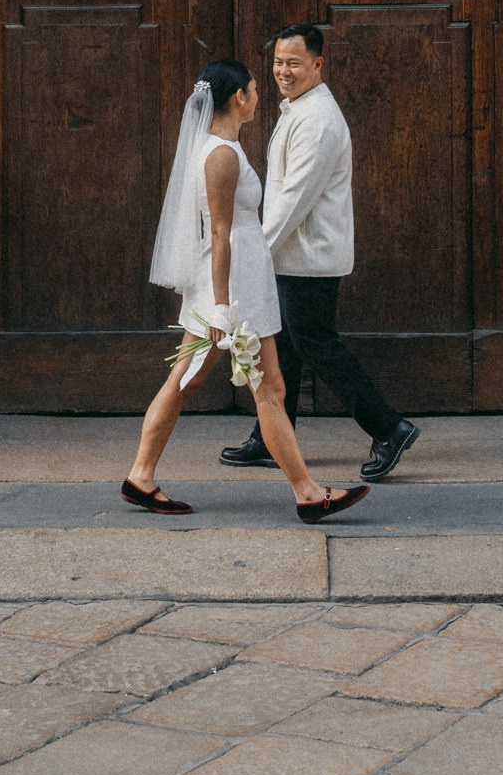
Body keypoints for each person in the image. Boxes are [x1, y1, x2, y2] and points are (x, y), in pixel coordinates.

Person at [122, 59, 370, 524]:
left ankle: (141, 475)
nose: (259, 94)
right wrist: (221, 308)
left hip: (237, 282)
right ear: (239, 97)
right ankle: (308, 492)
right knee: (259, 388)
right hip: (235, 289)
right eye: (255, 88)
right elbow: (220, 233)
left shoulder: (220, 149)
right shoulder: (222, 155)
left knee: (197, 381)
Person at [220, 24, 421, 482]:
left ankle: (389, 428)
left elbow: (294, 197)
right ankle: (272, 436)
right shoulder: (300, 110)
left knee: (314, 344)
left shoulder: (319, 120)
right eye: (277, 62)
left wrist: (255, 251)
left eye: (293, 62)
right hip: (295, 254)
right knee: (287, 345)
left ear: (317, 64)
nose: (283, 72)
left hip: (307, 256)